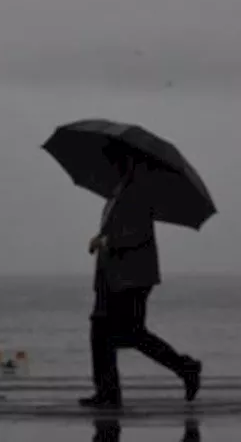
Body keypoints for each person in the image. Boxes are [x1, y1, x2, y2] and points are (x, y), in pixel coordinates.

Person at [80, 154, 203, 410]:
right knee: (102, 332)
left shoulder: (138, 192)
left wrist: (106, 242)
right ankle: (107, 392)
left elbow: (137, 234)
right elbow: (116, 230)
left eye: (113, 160)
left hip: (131, 278)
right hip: (111, 277)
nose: (109, 164)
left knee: (130, 333)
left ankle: (185, 368)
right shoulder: (118, 192)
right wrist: (100, 239)